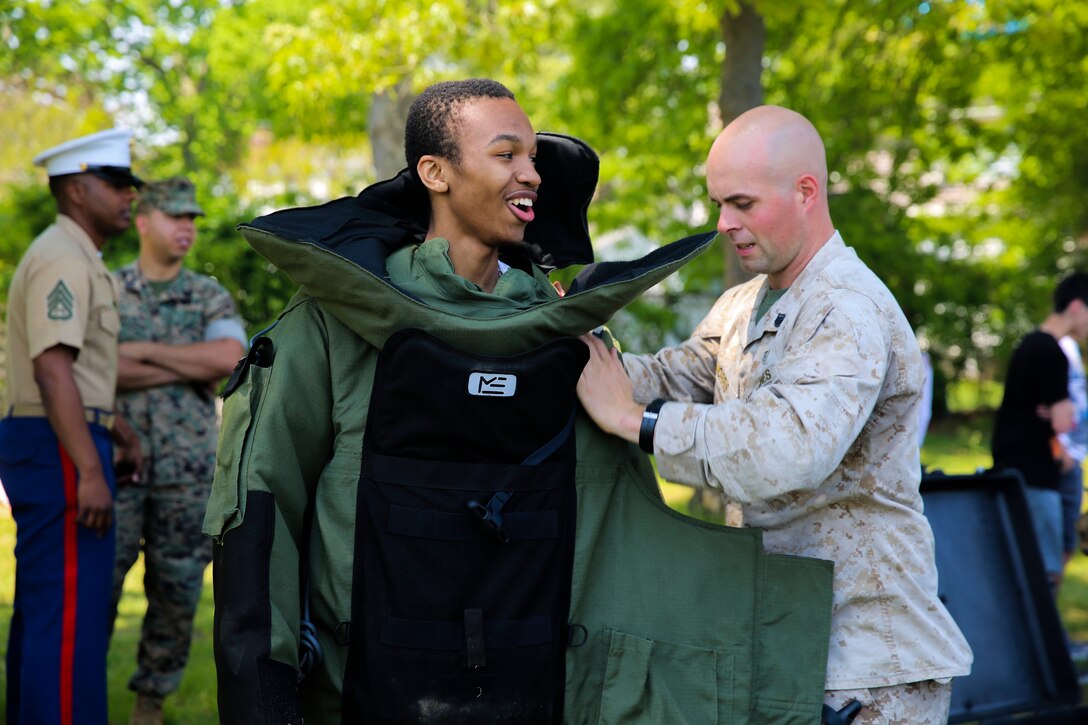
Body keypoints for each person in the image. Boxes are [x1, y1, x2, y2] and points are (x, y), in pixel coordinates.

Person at [205, 81, 835, 724]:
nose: (531, 174)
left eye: (533, 158)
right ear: (435, 173)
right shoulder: (327, 327)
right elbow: (260, 513)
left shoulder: (569, 337)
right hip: (361, 697)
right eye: (507, 155)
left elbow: (614, 536)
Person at [576, 104, 973, 724]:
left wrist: (635, 422)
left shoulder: (847, 307)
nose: (723, 223)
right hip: (784, 637)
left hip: (867, 666)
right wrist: (571, 343)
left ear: (806, 191)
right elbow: (668, 377)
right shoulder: (744, 304)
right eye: (718, 204)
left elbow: (787, 450)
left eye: (742, 203)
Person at [0, 128, 143, 725]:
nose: (128, 196)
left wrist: (116, 429)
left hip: (64, 438)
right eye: (115, 184)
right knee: (65, 624)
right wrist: (88, 467)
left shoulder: (76, 254)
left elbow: (76, 374)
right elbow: (52, 367)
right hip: (58, 447)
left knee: (50, 613)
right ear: (78, 191)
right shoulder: (63, 256)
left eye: (130, 185)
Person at [109, 178, 248, 724]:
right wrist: (180, 359)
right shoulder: (108, 290)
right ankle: (78, 691)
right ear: (143, 222)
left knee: (176, 591)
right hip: (117, 463)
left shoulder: (208, 294)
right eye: (174, 217)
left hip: (188, 469)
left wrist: (139, 351)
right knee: (99, 584)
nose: (186, 227)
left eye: (192, 217)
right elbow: (96, 367)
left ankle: (150, 704)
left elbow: (225, 360)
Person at [991, 272, 1088, 591]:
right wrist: (1064, 412)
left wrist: (1056, 411)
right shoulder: (1052, 351)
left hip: (1015, 469)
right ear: (1076, 307)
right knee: (1045, 573)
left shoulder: (1029, 345)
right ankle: (1041, 640)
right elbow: (1062, 422)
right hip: (1037, 475)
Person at [1057, 334, 1086, 587]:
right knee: (1056, 546)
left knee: (1067, 544)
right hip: (1062, 458)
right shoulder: (1059, 347)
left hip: (1073, 456)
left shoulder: (1072, 349)